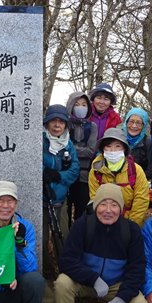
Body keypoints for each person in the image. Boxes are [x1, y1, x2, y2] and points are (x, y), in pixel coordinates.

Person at [52, 184, 147, 303]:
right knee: (62, 283)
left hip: (114, 285)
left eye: (114, 205)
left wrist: (122, 298)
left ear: (121, 209)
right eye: (103, 204)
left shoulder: (131, 231)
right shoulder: (83, 225)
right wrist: (93, 279)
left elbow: (137, 268)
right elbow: (67, 260)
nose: (108, 210)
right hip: (85, 283)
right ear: (96, 206)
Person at [88, 127, 150, 226]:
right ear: (103, 149)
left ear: (124, 149)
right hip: (103, 220)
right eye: (108, 146)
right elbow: (95, 198)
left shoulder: (136, 170)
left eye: (118, 146)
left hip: (129, 220)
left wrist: (131, 225)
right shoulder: (96, 170)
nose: (113, 150)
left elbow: (141, 201)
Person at [42, 105, 80, 240]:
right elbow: (31, 162)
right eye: (53, 120)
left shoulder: (68, 144)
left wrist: (59, 176)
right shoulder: (39, 141)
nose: (57, 125)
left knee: (63, 237)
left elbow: (75, 169)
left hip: (61, 199)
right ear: (47, 123)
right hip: (41, 199)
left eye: (61, 122)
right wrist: (44, 171)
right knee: (41, 239)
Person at [65, 91, 98, 224]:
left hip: (84, 176)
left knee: (81, 210)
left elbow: (90, 151)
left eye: (84, 105)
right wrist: (78, 149)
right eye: (77, 104)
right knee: (65, 210)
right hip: (66, 173)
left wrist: (71, 149)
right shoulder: (65, 125)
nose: (80, 107)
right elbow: (62, 148)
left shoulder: (92, 126)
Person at [122, 107, 152, 176]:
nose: (134, 126)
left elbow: (151, 168)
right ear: (126, 122)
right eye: (131, 121)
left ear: (144, 126)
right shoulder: (118, 139)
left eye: (138, 123)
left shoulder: (147, 143)